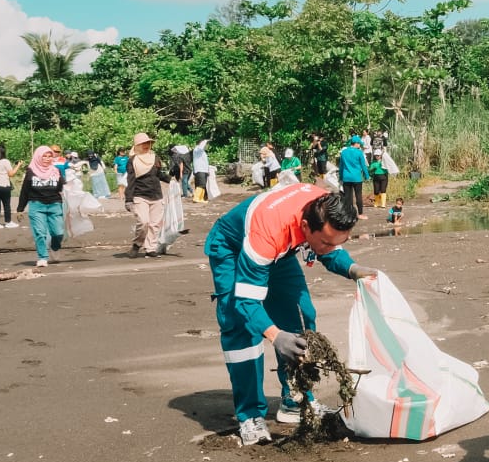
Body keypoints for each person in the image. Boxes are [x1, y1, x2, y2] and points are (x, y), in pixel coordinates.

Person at [203, 184, 378, 446]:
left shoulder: (325, 206)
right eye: (326, 242)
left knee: (300, 315)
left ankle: (294, 399)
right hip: (234, 246)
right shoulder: (268, 231)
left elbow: (329, 248)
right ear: (306, 227)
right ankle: (250, 415)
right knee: (241, 326)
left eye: (337, 242)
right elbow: (247, 302)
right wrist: (276, 336)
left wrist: (352, 269)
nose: (330, 247)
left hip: (282, 251)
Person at [16, 146, 66, 267]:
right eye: (44, 156)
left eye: (50, 156)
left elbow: (60, 188)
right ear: (38, 156)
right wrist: (20, 209)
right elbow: (25, 191)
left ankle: (54, 247)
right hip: (36, 205)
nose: (47, 159)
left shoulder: (56, 170)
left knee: (58, 232)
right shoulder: (31, 171)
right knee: (40, 233)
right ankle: (42, 257)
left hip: (55, 204)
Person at [124, 132, 170, 257]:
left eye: (148, 143)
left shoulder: (155, 158)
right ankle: (137, 245)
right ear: (137, 145)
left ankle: (150, 249)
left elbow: (159, 174)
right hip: (140, 195)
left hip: (156, 195)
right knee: (143, 222)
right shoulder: (132, 161)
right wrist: (128, 199)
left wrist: (171, 180)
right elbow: (131, 180)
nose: (146, 145)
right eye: (143, 143)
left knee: (155, 224)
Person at [337, 135, 368, 220]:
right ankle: (360, 214)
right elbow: (363, 166)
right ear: (356, 143)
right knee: (358, 196)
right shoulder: (359, 152)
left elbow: (341, 166)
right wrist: (367, 175)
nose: (360, 146)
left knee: (348, 197)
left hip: (346, 177)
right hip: (357, 177)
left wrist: (340, 177)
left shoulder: (344, 152)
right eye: (359, 144)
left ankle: (349, 214)